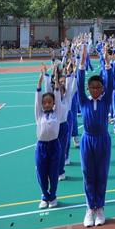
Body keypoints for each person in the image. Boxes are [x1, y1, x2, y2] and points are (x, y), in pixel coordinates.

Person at [77, 45, 114, 227]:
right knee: (88, 174)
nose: (94, 90)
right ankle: (89, 208)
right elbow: (78, 83)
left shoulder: (105, 101)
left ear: (102, 89)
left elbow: (111, 82)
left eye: (98, 87)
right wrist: (82, 63)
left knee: (101, 174)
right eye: (91, 87)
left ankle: (100, 208)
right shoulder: (84, 101)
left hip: (103, 140)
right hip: (87, 140)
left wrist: (107, 63)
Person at [34, 64, 66, 209]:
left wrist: (56, 78)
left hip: (54, 146)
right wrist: (40, 83)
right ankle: (44, 196)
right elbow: (37, 100)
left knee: (53, 174)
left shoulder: (57, 114)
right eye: (44, 102)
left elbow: (58, 97)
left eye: (50, 102)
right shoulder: (39, 115)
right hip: (41, 147)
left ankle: (52, 196)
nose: (47, 104)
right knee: (41, 173)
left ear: (53, 104)